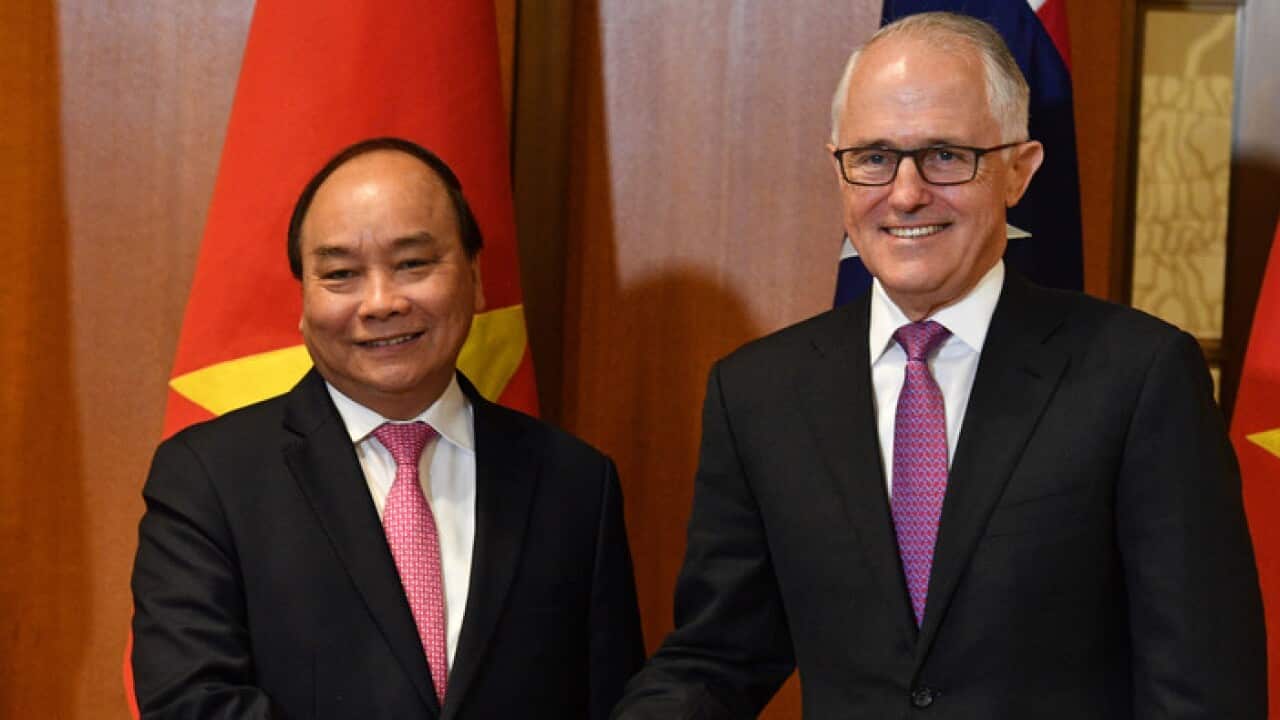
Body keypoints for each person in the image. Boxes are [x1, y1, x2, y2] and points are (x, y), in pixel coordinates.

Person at [612, 12, 1265, 719]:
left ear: (1018, 171)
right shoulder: (759, 393)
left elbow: (1202, 685)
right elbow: (720, 656)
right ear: (838, 166)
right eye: (873, 157)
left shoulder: (1139, 376)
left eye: (946, 156)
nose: (904, 193)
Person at [131, 137, 645, 719]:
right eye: (342, 274)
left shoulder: (577, 483)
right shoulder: (209, 479)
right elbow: (191, 705)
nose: (380, 302)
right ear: (302, 300)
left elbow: (611, 703)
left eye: (413, 264)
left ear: (475, 279)